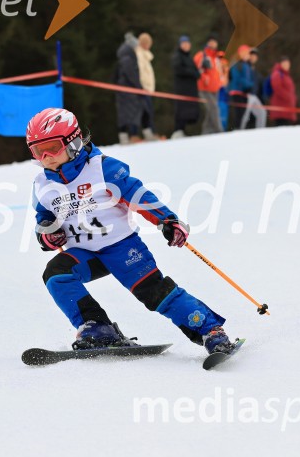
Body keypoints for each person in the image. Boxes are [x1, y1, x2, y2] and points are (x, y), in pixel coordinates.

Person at [26, 107, 238, 355]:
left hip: (121, 247)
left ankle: (210, 331)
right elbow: (45, 218)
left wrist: (167, 220)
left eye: (53, 147)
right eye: (38, 151)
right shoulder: (42, 185)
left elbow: (138, 195)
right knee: (56, 275)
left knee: (154, 294)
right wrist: (47, 235)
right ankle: (97, 328)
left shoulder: (101, 168)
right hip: (84, 253)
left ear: (73, 141)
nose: (47, 156)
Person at [114, 33, 146, 144]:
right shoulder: (128, 58)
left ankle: (125, 136)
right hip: (129, 90)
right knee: (133, 112)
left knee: (125, 114)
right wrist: (139, 87)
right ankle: (133, 135)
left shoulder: (123, 57)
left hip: (123, 90)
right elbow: (132, 75)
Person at [193, 34, 225, 134]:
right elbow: (197, 70)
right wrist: (204, 77)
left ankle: (206, 132)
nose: (213, 43)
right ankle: (219, 131)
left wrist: (221, 82)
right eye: (211, 41)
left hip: (215, 89)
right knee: (214, 108)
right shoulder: (202, 55)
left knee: (210, 111)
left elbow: (219, 72)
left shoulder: (216, 58)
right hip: (204, 88)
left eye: (214, 41)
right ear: (207, 43)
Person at [170, 35, 200, 139]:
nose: (186, 45)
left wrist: (197, 73)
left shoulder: (189, 57)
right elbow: (178, 69)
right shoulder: (177, 56)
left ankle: (181, 130)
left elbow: (197, 72)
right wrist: (193, 73)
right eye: (184, 44)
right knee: (181, 110)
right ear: (180, 45)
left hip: (190, 89)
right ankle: (177, 130)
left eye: (188, 43)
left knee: (188, 111)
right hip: (182, 89)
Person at [135, 33, 159, 141]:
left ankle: (149, 133)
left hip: (147, 88)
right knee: (145, 111)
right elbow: (141, 72)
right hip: (143, 88)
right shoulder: (140, 54)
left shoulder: (145, 54)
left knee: (147, 111)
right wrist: (143, 86)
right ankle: (148, 133)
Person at [269, 56, 297, 126]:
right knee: (281, 130)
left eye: (288, 64)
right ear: (280, 64)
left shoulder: (286, 75)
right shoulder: (277, 74)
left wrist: (292, 98)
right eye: (284, 63)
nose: (286, 65)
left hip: (287, 109)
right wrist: (288, 97)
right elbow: (277, 88)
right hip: (280, 109)